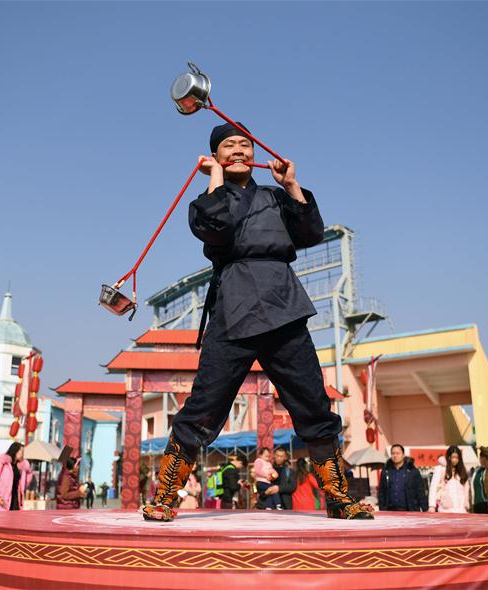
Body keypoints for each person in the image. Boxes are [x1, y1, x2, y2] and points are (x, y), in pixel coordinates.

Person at [142, 123, 372, 522]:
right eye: (228, 146)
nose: (238, 150)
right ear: (215, 155)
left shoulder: (274, 196)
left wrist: (293, 186)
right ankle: (166, 495)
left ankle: (338, 496)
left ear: (255, 155)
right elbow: (217, 229)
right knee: (205, 405)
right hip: (234, 306)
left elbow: (310, 232)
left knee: (313, 402)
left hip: (283, 303)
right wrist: (215, 176)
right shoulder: (206, 200)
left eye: (244, 145)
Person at [0, 442, 32, 512]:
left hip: (15, 501)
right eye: (21, 451)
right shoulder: (3, 463)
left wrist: (28, 470)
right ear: (15, 451)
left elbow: (25, 484)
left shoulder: (20, 467)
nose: (22, 454)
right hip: (1, 501)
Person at [377, 444, 427, 512]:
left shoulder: (412, 471)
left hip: (409, 510)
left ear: (403, 455)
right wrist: (382, 508)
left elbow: (420, 491)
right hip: (390, 510)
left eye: (398, 453)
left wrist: (425, 509)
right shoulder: (386, 471)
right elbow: (381, 492)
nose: (395, 455)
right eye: (393, 453)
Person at [428, 446, 471, 514]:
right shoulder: (441, 469)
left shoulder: (462, 472)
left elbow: (466, 490)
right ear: (448, 457)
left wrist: (467, 505)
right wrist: (432, 506)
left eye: (457, 457)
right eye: (453, 457)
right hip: (446, 510)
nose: (454, 460)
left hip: (461, 511)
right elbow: (433, 487)